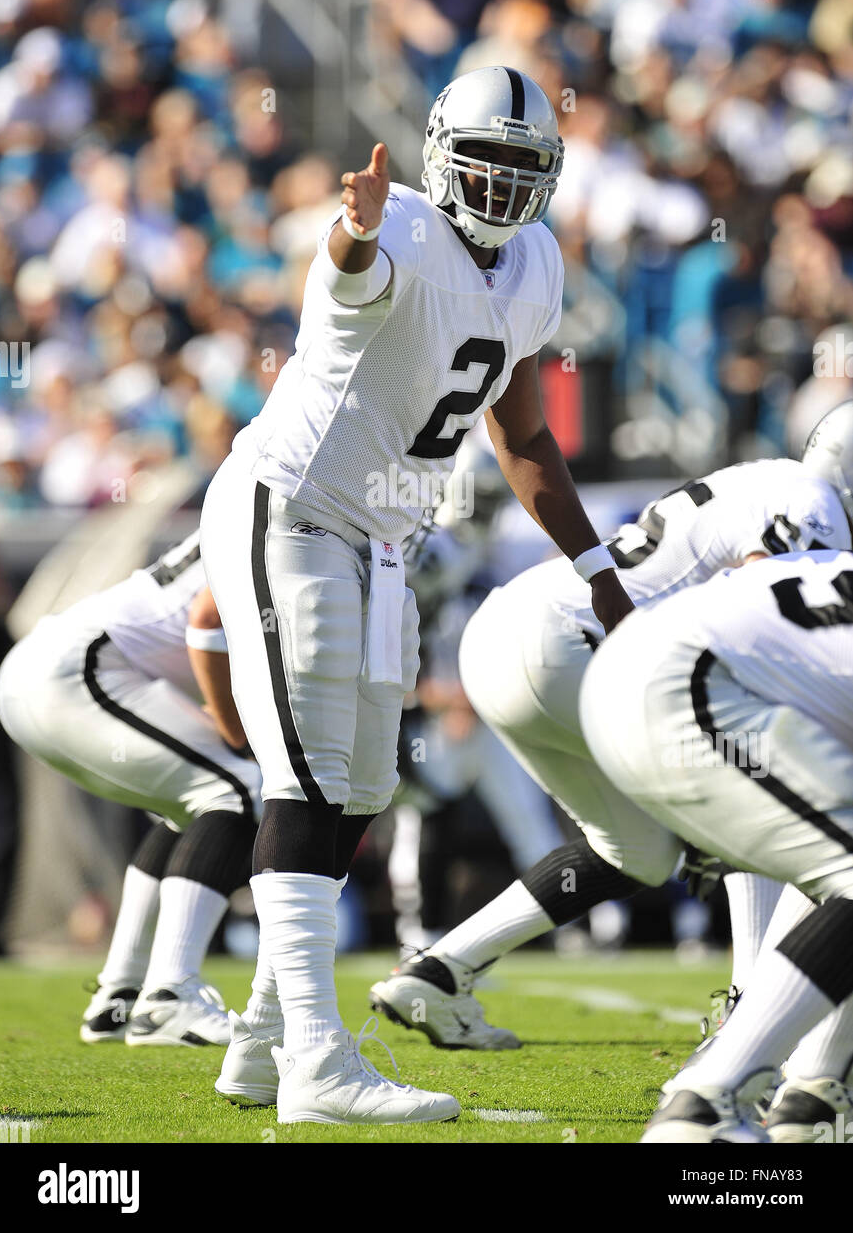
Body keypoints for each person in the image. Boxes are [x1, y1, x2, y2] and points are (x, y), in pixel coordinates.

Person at [200, 65, 633, 1125]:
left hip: (384, 537)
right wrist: (350, 235)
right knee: (304, 778)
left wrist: (598, 570)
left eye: (521, 166)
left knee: (357, 791)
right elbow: (352, 277)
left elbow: (523, 433)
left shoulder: (534, 262)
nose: (498, 185)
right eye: (482, 161)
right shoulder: (386, 219)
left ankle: (263, 1039)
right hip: (293, 507)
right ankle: (314, 1064)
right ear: (441, 150)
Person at [369, 406, 853, 1048]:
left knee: (638, 851)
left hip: (513, 632)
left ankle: (439, 970)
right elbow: (757, 604)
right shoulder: (811, 503)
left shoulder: (766, 480)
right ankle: (747, 1012)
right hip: (577, 638)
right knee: (758, 780)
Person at [580, 546, 853, 1143]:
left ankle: (811, 1097)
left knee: (838, 858)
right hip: (688, 685)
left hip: (624, 675)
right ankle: (708, 1100)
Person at [0, 529, 261, 1047]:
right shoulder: (285, 507)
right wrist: (236, 733)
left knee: (193, 804)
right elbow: (207, 622)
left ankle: (120, 996)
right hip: (78, 669)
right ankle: (171, 995)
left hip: (43, 669)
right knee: (239, 789)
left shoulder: (261, 496)